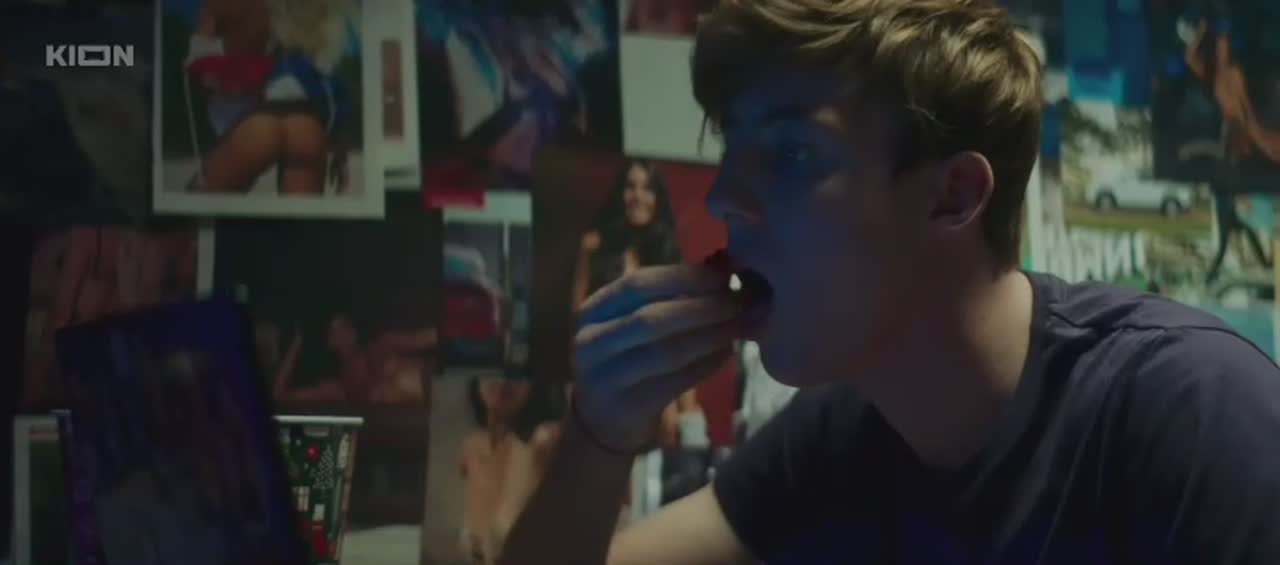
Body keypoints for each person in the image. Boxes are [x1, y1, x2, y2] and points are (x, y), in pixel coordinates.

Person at [499, 1, 1280, 563]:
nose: (722, 197)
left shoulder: (1193, 418)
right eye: (731, 147)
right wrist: (600, 431)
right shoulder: (840, 437)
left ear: (952, 195)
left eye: (791, 153)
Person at [183, 0, 352, 195]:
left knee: (193, 206)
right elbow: (329, 79)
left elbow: (202, 76)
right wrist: (340, 152)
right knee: (299, 214)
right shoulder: (303, 10)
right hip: (307, 125)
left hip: (257, 123)